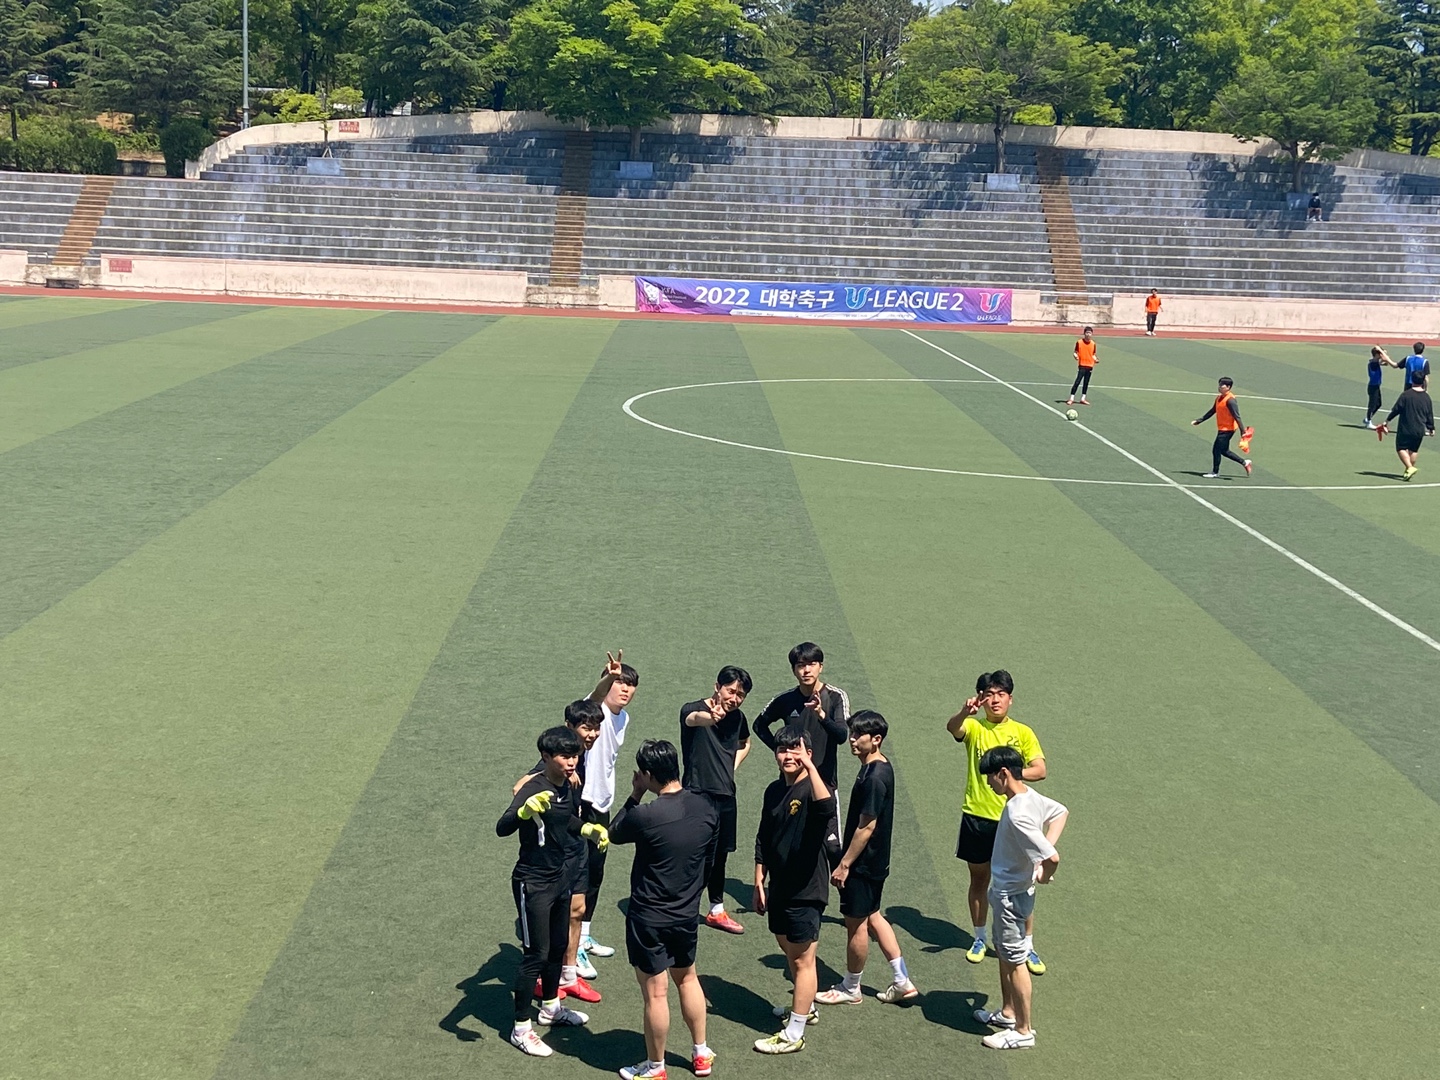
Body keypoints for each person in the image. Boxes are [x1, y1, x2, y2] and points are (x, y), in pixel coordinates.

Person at [610, 740, 721, 1080]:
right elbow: (709, 862)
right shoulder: (706, 808)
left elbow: (614, 832)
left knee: (656, 994)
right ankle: (701, 1053)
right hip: (686, 914)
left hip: (649, 917)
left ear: (647, 774)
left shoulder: (646, 815)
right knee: (688, 978)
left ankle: (656, 1066)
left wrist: (634, 794)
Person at [497, 726, 611, 1056]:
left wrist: (587, 828)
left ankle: (550, 1008)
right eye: (564, 756)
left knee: (558, 946)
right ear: (546, 757)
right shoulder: (533, 788)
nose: (571, 762)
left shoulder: (568, 784)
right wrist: (523, 812)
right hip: (533, 882)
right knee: (536, 953)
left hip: (561, 878)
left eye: (574, 755)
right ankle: (521, 1029)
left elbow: (566, 821)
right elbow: (502, 827)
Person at [945, 670, 1048, 974]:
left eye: (1001, 694)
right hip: (976, 816)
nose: (995, 700)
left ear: (1010, 699)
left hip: (1014, 819)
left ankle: (1027, 945)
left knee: (1023, 884)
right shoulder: (974, 727)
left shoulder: (1023, 733)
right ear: (981, 698)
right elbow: (953, 728)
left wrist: (1009, 774)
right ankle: (979, 938)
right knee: (979, 880)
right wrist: (965, 711)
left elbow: (1040, 769)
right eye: (989, 694)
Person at [815, 711, 917, 1007]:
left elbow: (866, 826)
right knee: (873, 916)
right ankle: (902, 980)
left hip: (861, 864)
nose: (852, 740)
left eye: (858, 735)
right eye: (852, 734)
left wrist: (844, 864)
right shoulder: (881, 767)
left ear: (876, 739)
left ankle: (851, 987)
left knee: (855, 925)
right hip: (876, 862)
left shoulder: (873, 777)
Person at [971, 746, 1068, 1051]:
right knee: (1004, 953)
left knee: (1015, 961)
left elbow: (1052, 858)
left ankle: (1024, 1031)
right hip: (1013, 893)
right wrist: (1039, 862)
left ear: (1003, 773)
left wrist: (1044, 871)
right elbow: (1060, 812)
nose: (988, 783)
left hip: (1010, 897)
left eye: (990, 777)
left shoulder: (1018, 812)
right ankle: (1009, 1013)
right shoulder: (1030, 797)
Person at [511, 700, 607, 1002]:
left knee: (577, 911)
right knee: (548, 934)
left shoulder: (579, 758)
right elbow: (520, 787)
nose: (592, 734)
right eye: (586, 728)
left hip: (576, 845)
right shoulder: (556, 759)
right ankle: (543, 981)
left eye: (596, 728)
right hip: (555, 857)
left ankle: (569, 975)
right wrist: (533, 806)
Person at [753, 727, 838, 1055]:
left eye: (796, 749)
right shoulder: (774, 790)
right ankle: (807, 1007)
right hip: (779, 886)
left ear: (808, 754)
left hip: (807, 889)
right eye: (783, 749)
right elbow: (764, 835)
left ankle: (794, 1033)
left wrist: (812, 768)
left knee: (803, 960)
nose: (788, 755)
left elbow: (826, 808)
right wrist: (759, 879)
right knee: (790, 949)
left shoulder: (814, 788)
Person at [680, 666, 753, 935]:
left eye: (740, 695)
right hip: (697, 795)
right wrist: (710, 717)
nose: (734, 698)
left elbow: (746, 742)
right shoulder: (693, 709)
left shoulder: (738, 718)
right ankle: (684, 908)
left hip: (726, 796)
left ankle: (716, 910)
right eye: (730, 691)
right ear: (717, 687)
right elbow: (693, 719)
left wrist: (731, 767)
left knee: (720, 856)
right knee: (694, 855)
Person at [578, 650, 640, 969]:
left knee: (596, 873)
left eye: (630, 685)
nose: (625, 689)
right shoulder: (595, 710)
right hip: (582, 802)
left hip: (603, 803)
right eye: (620, 683)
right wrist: (608, 677)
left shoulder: (623, 718)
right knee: (578, 874)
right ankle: (572, 947)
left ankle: (584, 935)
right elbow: (595, 696)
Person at [753, 642, 850, 815]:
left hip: (824, 782)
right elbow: (758, 726)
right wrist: (781, 749)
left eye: (812, 664)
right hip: (791, 783)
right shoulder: (785, 699)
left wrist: (821, 715)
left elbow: (842, 736)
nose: (806, 670)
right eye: (801, 665)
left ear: (821, 667)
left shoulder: (836, 697)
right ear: (793, 670)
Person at [1191, 377, 1251, 478]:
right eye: (1219, 385)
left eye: (1222, 386)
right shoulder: (1219, 398)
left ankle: (1215, 472)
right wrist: (1199, 420)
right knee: (1224, 451)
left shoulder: (1230, 400)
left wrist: (1242, 431)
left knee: (1216, 450)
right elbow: (1212, 411)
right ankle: (1245, 462)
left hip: (1228, 429)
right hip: (1222, 428)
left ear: (1228, 387)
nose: (1219, 387)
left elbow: (1237, 416)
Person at [1378, 378, 1435, 480]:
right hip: (1419, 429)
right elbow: (1429, 414)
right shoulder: (1426, 397)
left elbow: (1396, 409)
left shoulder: (1406, 395)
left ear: (1412, 381)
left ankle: (1409, 467)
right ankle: (1408, 471)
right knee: (1414, 450)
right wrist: (1431, 427)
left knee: (1401, 448)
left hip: (1406, 428)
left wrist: (1387, 421)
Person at [1365, 346, 1396, 430]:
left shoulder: (1375, 362)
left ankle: (1367, 418)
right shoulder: (1373, 363)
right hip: (1373, 387)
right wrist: (1381, 351)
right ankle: (1368, 421)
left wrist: (1382, 352)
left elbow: (1386, 362)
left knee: (1378, 404)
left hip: (1376, 386)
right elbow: (1383, 359)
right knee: (1372, 405)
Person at [1065, 326, 1097, 405]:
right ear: (1084, 333)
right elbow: (1075, 352)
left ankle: (1083, 398)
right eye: (1087, 333)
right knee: (1077, 381)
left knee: (1086, 382)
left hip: (1090, 365)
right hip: (1082, 365)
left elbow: (1093, 354)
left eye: (1090, 333)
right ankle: (1071, 398)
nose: (1088, 334)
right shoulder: (1079, 342)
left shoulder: (1093, 344)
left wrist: (1095, 359)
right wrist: (1075, 356)